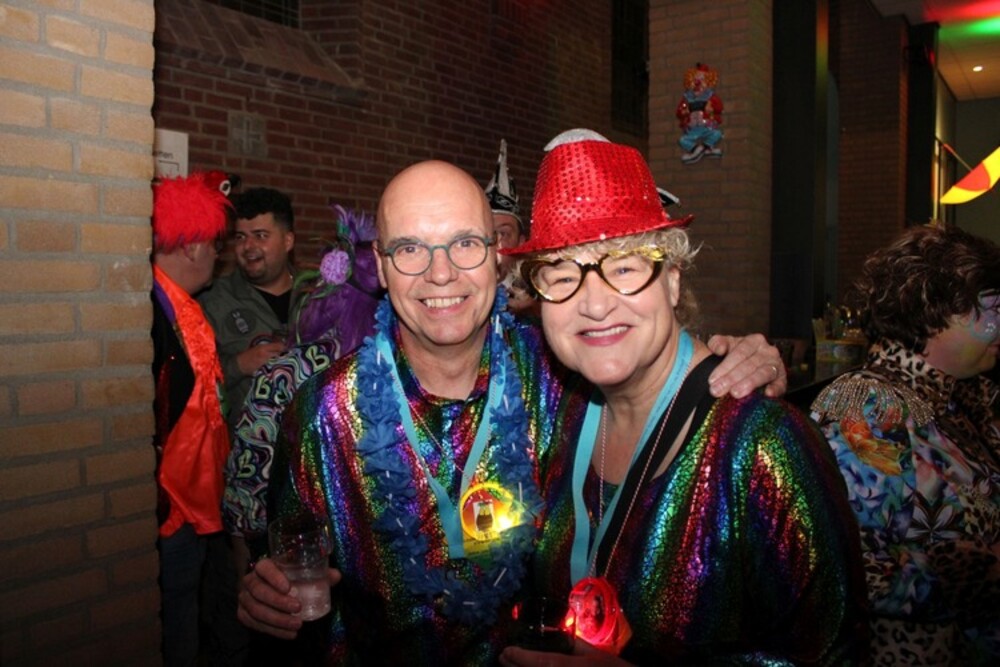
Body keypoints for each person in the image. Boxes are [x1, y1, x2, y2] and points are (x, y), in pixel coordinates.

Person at [237, 158, 788, 664]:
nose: (440, 274)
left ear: (498, 256)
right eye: (410, 249)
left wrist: (725, 364)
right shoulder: (324, 412)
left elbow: (646, 361)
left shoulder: (565, 377)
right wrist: (267, 600)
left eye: (464, 244)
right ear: (381, 267)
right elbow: (289, 580)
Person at [500, 131, 867, 665]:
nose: (595, 304)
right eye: (561, 275)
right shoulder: (560, 407)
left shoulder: (763, 443)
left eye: (624, 267)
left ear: (672, 281)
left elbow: (836, 655)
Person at [810, 224, 1000, 665]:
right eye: (995, 308)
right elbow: (845, 568)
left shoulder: (960, 395)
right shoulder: (867, 409)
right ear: (937, 311)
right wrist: (977, 577)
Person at [222, 204, 382, 560]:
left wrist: (246, 566)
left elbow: (249, 484)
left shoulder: (287, 371)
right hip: (381, 548)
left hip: (303, 550)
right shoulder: (405, 365)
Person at [151, 172, 246, 666]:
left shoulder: (177, 308)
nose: (217, 255)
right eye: (213, 245)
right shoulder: (150, 316)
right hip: (172, 517)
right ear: (190, 247)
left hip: (194, 510)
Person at [200, 187, 296, 430]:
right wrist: (239, 365)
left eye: (260, 235)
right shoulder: (212, 300)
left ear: (287, 241)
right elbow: (189, 382)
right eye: (240, 237)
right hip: (244, 446)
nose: (248, 246)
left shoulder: (320, 296)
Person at [485, 138, 538, 318]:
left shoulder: (536, 300)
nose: (494, 243)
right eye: (486, 232)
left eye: (503, 233)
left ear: (520, 244)